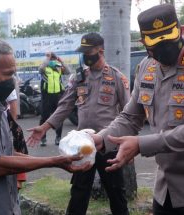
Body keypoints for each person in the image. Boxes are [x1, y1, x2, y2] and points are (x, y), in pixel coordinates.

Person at [0, 38, 91, 215]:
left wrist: (58, 159)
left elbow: (7, 154)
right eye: (7, 74)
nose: (13, 81)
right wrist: (53, 162)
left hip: (8, 207)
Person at [90, 4, 184, 215]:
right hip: (165, 189)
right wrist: (103, 138)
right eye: (155, 43)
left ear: (181, 30)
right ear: (144, 43)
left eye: (169, 38)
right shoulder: (146, 68)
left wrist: (142, 144)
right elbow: (131, 116)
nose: (165, 46)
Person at [27, 33, 130, 215]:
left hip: (109, 144)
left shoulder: (116, 77)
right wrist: (44, 127)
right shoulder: (78, 78)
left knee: (116, 192)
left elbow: (128, 113)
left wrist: (126, 143)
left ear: (100, 51)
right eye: (82, 52)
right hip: (82, 146)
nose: (84, 55)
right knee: (79, 192)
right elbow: (64, 106)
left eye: (88, 51)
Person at [39, 52, 70, 146]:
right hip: (46, 96)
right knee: (44, 117)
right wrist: (47, 58)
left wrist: (61, 60)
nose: (52, 60)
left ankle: (58, 137)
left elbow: (68, 71)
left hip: (58, 96)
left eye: (53, 59)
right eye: (51, 59)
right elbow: (40, 69)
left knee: (58, 117)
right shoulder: (45, 68)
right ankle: (43, 138)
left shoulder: (58, 68)